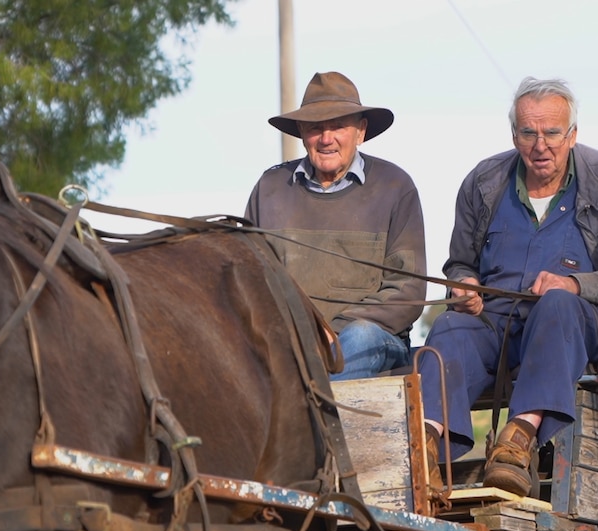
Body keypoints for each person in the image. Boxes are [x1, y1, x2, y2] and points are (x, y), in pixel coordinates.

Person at [420, 76, 598, 497]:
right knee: (448, 329)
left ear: (572, 135)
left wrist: (574, 284)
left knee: (556, 305)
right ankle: (424, 447)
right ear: (513, 134)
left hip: (570, 324)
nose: (541, 145)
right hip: (494, 321)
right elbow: (460, 262)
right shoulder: (484, 182)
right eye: (528, 132)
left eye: (552, 132)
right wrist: (463, 285)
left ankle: (517, 443)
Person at [245, 71, 426, 381]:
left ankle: (318, 426)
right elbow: (248, 279)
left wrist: (332, 332)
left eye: (338, 126)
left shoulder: (395, 187)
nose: (326, 138)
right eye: (316, 127)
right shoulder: (270, 188)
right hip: (291, 341)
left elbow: (407, 291)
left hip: (373, 340)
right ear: (302, 132)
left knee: (358, 338)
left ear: (361, 131)